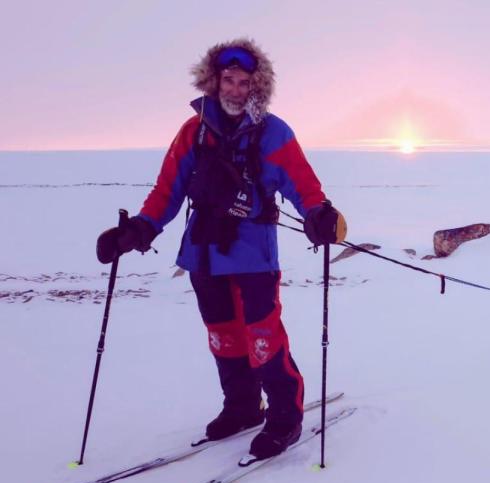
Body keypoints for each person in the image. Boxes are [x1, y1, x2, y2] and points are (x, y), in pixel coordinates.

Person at [95, 39, 345, 459]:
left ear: (256, 86)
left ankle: (285, 418)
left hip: (254, 255)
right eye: (227, 80)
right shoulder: (193, 132)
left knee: (263, 337)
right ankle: (243, 407)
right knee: (224, 337)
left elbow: (302, 182)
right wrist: (139, 230)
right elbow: (167, 190)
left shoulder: (273, 131)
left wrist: (318, 214)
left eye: (243, 82)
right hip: (203, 253)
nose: (234, 89)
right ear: (214, 82)